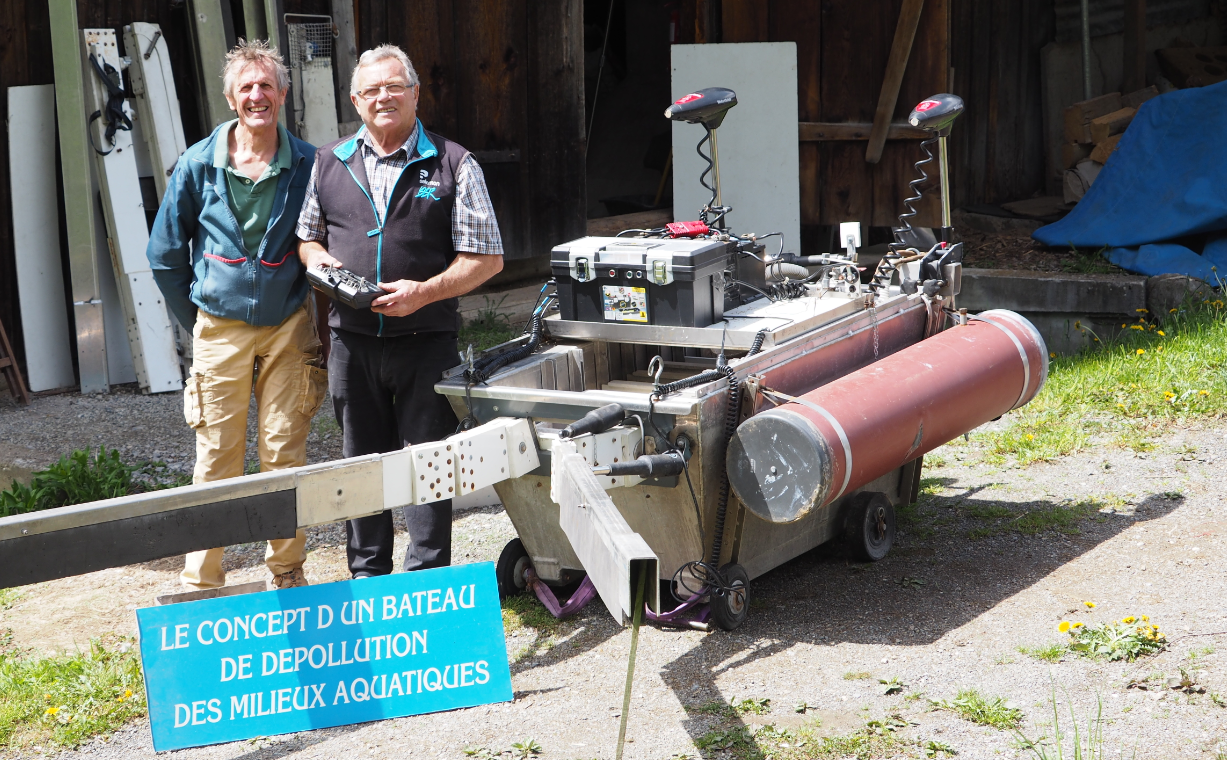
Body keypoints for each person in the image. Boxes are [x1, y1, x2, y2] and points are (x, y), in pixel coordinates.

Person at [296, 44, 503, 579]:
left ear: (415, 93)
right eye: (371, 90)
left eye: (394, 86)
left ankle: (426, 581)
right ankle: (367, 578)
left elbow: (487, 259)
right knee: (362, 467)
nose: (383, 97)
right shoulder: (329, 161)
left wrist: (425, 292)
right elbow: (307, 241)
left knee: (428, 466)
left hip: (425, 340)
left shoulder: (455, 162)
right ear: (355, 101)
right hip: (353, 342)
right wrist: (327, 273)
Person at [147, 40, 322, 591]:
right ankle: (202, 582)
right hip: (219, 329)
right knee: (217, 457)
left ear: (284, 94)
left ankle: (288, 573)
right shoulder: (199, 164)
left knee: (283, 453)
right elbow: (165, 256)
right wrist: (200, 318)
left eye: (266, 85)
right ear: (230, 98)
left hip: (288, 328)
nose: (257, 95)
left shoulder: (309, 164)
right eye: (246, 87)